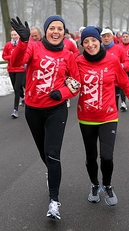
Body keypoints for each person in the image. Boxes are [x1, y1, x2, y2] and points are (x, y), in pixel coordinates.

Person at [10, 15, 80, 220]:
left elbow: (75, 83)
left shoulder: (68, 55)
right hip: (33, 110)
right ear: (46, 31)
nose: (56, 32)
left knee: (52, 154)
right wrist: (23, 42)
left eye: (60, 28)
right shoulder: (33, 48)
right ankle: (51, 171)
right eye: (52, 28)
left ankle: (54, 201)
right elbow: (15, 62)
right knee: (44, 153)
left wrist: (63, 93)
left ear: (64, 32)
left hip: (56, 110)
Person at [76, 26, 129, 206]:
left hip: (108, 116)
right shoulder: (78, 62)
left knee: (107, 156)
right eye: (86, 42)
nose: (90, 45)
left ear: (99, 41)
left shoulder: (112, 60)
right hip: (86, 117)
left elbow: (124, 82)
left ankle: (107, 184)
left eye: (93, 40)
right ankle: (94, 185)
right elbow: (69, 83)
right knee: (90, 156)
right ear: (82, 44)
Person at [100, 28, 129, 110]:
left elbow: (128, 64)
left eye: (108, 36)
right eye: (104, 36)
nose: (106, 38)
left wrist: (120, 66)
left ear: (112, 37)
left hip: (115, 83)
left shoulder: (119, 49)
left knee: (113, 107)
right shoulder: (98, 50)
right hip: (101, 83)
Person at [2, 29, 25, 118]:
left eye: (15, 35)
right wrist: (12, 57)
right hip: (11, 69)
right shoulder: (8, 45)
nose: (14, 36)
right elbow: (4, 56)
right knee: (16, 87)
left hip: (20, 69)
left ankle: (15, 110)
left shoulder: (22, 45)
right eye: (12, 35)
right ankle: (23, 97)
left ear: (19, 35)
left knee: (16, 88)